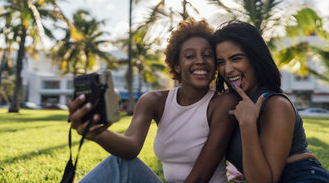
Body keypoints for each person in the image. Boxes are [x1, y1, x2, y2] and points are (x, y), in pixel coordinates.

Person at [68, 18, 236, 183]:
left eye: (207, 55)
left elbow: (200, 178)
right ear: (177, 65)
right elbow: (130, 147)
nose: (200, 60)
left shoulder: (223, 103)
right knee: (119, 163)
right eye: (190, 56)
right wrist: (98, 133)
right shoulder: (153, 101)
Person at [212, 20, 329, 183]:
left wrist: (248, 125)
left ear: (255, 58)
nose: (228, 69)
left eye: (236, 59)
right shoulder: (231, 103)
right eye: (221, 62)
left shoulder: (276, 104)